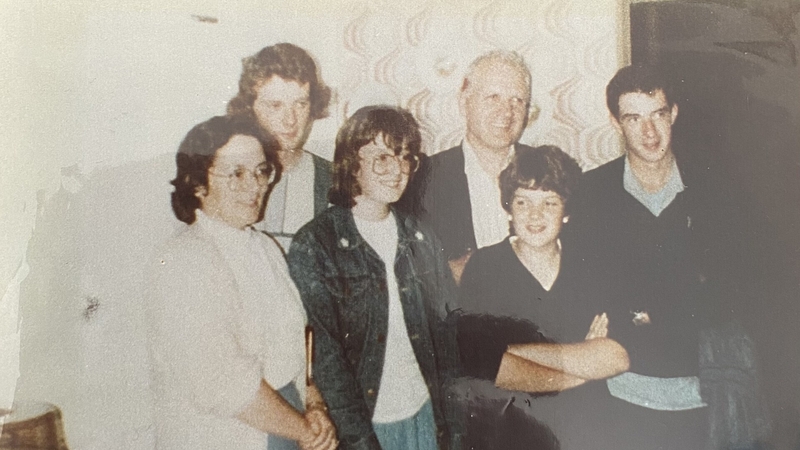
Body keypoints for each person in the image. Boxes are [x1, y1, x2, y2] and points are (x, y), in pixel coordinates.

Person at [146, 115, 337, 450]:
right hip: (226, 436)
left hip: (286, 425)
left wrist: (314, 403)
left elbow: (294, 344)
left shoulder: (265, 248)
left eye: (261, 171)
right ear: (198, 184)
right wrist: (306, 432)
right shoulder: (182, 261)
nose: (255, 186)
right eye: (236, 173)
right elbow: (222, 383)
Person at [568, 64, 732, 449]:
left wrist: (645, 312)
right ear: (615, 122)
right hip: (621, 396)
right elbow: (586, 291)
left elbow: (732, 290)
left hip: (703, 397)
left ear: (673, 113)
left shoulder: (714, 190)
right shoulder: (591, 193)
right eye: (634, 118)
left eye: (657, 115)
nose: (649, 132)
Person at [287, 106, 458, 450]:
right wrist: (360, 440)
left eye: (406, 157)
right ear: (353, 163)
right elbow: (326, 359)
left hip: (424, 413)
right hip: (365, 424)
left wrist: (453, 425)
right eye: (382, 158)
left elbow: (446, 338)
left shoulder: (421, 235)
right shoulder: (316, 244)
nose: (398, 170)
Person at [453, 146, 629, 449]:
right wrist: (583, 365)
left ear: (566, 212)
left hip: (587, 431)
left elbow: (616, 357)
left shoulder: (591, 263)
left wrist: (525, 358)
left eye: (549, 202)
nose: (535, 215)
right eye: (523, 202)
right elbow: (493, 369)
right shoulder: (484, 267)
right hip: (513, 434)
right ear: (509, 208)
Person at [399, 50, 535, 283]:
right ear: (464, 103)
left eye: (517, 100)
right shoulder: (422, 178)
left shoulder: (547, 170)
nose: (506, 111)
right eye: (493, 97)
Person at [228, 43, 333, 252]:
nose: (290, 120)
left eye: (300, 104)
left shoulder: (333, 181)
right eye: (276, 105)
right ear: (250, 108)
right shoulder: (227, 177)